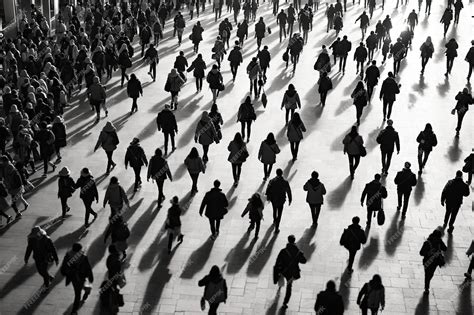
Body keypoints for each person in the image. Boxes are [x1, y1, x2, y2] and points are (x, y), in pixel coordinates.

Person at [274, 235, 306, 309]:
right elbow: (304, 261)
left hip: (284, 271)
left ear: (288, 240)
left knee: (281, 278)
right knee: (289, 287)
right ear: (294, 241)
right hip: (292, 272)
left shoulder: (283, 251)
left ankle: (280, 286)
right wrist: (301, 255)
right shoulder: (298, 252)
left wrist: (278, 269)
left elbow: (278, 261)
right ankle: (285, 303)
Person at [60, 243, 93, 315]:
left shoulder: (68, 256)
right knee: (79, 292)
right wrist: (91, 277)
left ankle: (74, 311)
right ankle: (74, 309)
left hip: (73, 277)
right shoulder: (83, 257)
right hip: (81, 276)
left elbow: (64, 267)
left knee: (77, 293)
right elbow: (88, 267)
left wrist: (65, 272)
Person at [266, 168, 292, 233]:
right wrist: (290, 199)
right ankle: (277, 227)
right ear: (282, 173)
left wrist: (268, 197)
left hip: (273, 199)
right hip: (281, 199)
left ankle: (274, 220)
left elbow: (268, 189)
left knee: (274, 210)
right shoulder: (285, 182)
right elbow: (288, 191)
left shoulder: (272, 181)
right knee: (279, 213)